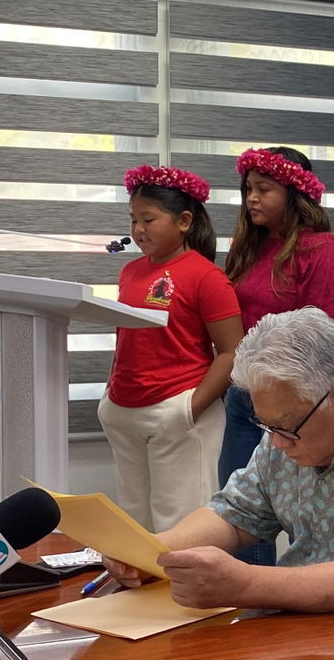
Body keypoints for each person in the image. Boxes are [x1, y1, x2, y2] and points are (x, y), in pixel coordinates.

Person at [101, 307, 334, 660]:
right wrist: (156, 554)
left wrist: (244, 584)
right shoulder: (289, 434)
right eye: (269, 427)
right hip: (309, 637)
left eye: (288, 428)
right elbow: (235, 516)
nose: (278, 443)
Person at [219, 146, 334, 565]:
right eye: (248, 189)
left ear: (295, 194)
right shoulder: (249, 250)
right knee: (242, 511)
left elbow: (332, 338)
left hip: (299, 404)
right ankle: (248, 608)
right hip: (245, 398)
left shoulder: (323, 251)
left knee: (311, 515)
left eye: (264, 189)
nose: (252, 198)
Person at [97, 165, 242, 533]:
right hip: (124, 411)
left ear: (184, 221)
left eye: (148, 219)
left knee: (179, 527)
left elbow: (232, 351)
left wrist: (189, 410)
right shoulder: (129, 271)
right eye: (133, 220)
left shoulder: (206, 277)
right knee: (134, 525)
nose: (138, 230)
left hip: (177, 410)